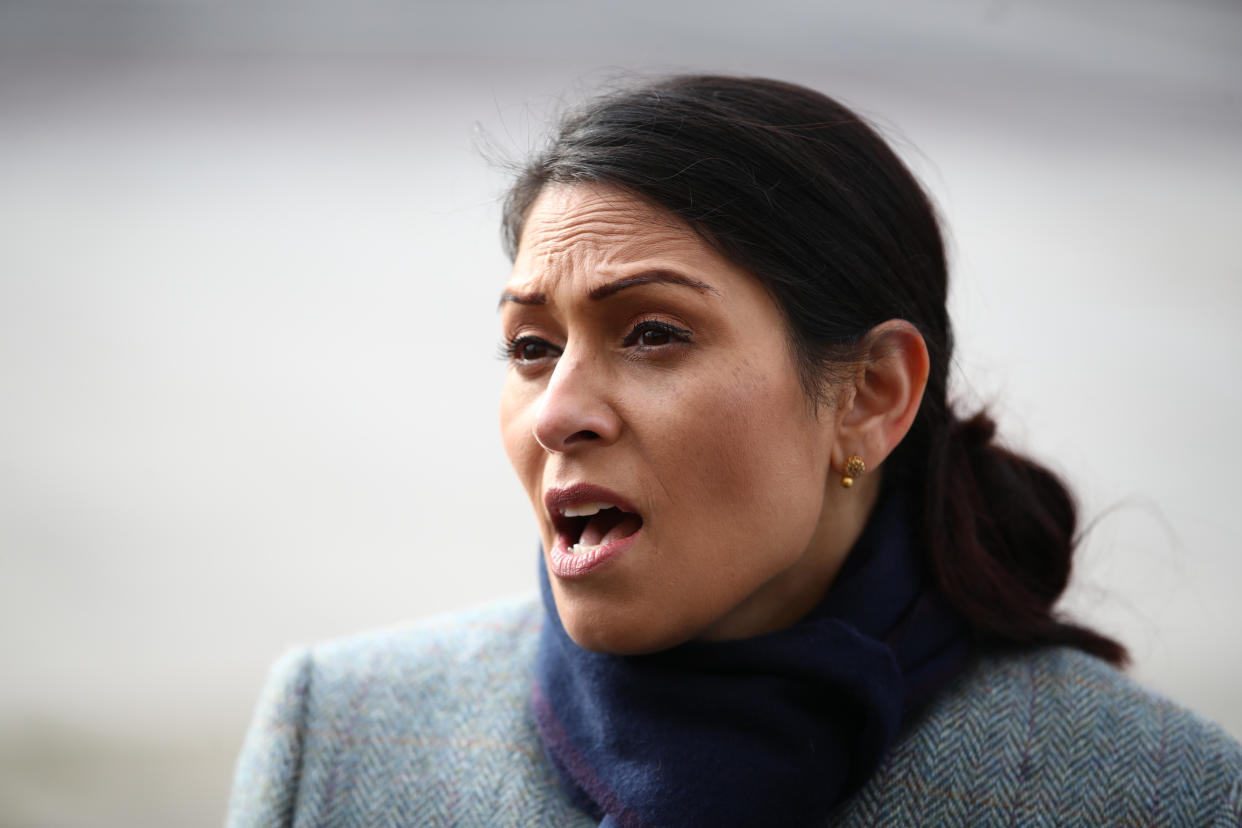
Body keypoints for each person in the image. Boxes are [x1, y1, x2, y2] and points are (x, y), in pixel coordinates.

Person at [227, 75, 1242, 826]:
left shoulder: (1158, 796)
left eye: (653, 333)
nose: (557, 413)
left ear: (871, 394)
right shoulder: (341, 741)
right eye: (532, 348)